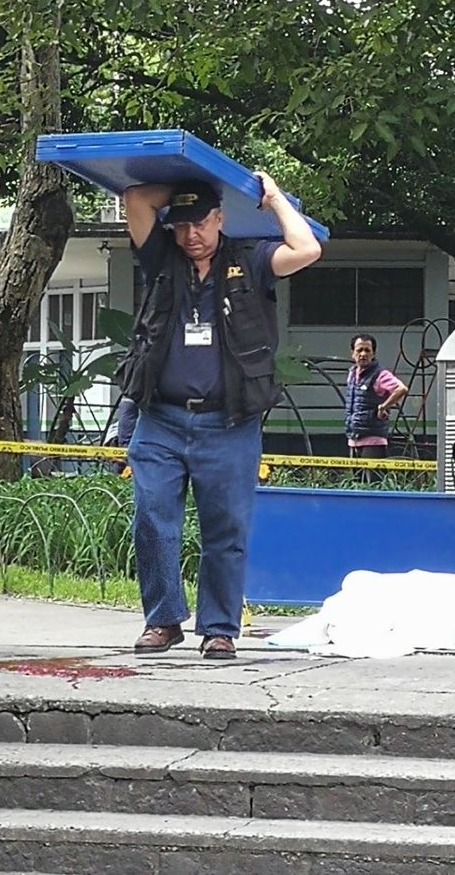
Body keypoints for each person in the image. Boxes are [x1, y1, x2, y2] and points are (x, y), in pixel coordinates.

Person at [119, 174, 321, 659]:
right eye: (182, 225)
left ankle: (219, 628)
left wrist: (271, 200)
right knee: (153, 520)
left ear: (221, 219)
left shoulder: (250, 260)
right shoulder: (160, 258)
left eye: (202, 223)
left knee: (226, 528)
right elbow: (135, 198)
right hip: (160, 419)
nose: (192, 235)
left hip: (229, 422)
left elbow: (307, 248)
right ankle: (164, 620)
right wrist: (187, 181)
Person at [343, 333, 408, 481]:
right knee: (355, 484)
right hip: (354, 437)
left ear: (374, 354)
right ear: (352, 353)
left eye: (367, 350)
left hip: (373, 439)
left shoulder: (380, 375)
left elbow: (401, 389)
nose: (363, 354)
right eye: (359, 350)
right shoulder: (352, 374)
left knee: (373, 483)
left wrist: (383, 407)